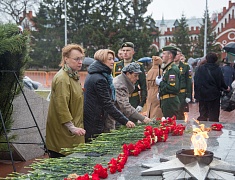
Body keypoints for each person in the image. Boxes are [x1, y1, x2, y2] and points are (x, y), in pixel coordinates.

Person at [84, 49, 135, 142]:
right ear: (102, 60)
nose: (113, 62)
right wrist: (125, 121)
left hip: (96, 118)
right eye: (110, 59)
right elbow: (107, 104)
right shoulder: (100, 79)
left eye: (113, 59)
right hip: (95, 121)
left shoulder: (99, 75)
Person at [46, 44, 86, 158]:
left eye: (81, 58)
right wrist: (72, 127)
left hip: (74, 132)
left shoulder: (73, 76)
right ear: (66, 59)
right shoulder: (62, 79)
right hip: (64, 135)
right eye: (76, 59)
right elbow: (61, 106)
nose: (80, 62)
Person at [194, 52, 230, 122]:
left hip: (202, 95)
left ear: (206, 59)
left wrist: (197, 94)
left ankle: (202, 129)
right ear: (216, 60)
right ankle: (214, 129)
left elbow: (196, 81)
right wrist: (226, 88)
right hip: (214, 95)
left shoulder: (200, 69)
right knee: (214, 115)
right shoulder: (218, 69)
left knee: (203, 114)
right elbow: (221, 82)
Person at [112, 42, 147, 112]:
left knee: (133, 121)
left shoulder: (139, 65)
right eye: (123, 50)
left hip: (133, 99)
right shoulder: (116, 65)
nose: (125, 52)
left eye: (128, 50)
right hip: (120, 99)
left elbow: (143, 86)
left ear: (133, 52)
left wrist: (141, 104)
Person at [155, 45, 181, 118]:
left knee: (170, 124)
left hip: (170, 102)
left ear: (170, 55)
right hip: (167, 101)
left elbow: (173, 88)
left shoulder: (172, 69)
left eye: (164, 54)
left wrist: (161, 83)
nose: (162, 56)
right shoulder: (168, 69)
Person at [174, 48, 192, 120]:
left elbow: (188, 81)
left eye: (177, 54)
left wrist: (188, 95)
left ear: (180, 55)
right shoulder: (169, 66)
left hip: (181, 94)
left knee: (180, 113)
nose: (175, 56)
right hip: (172, 93)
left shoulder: (185, 66)